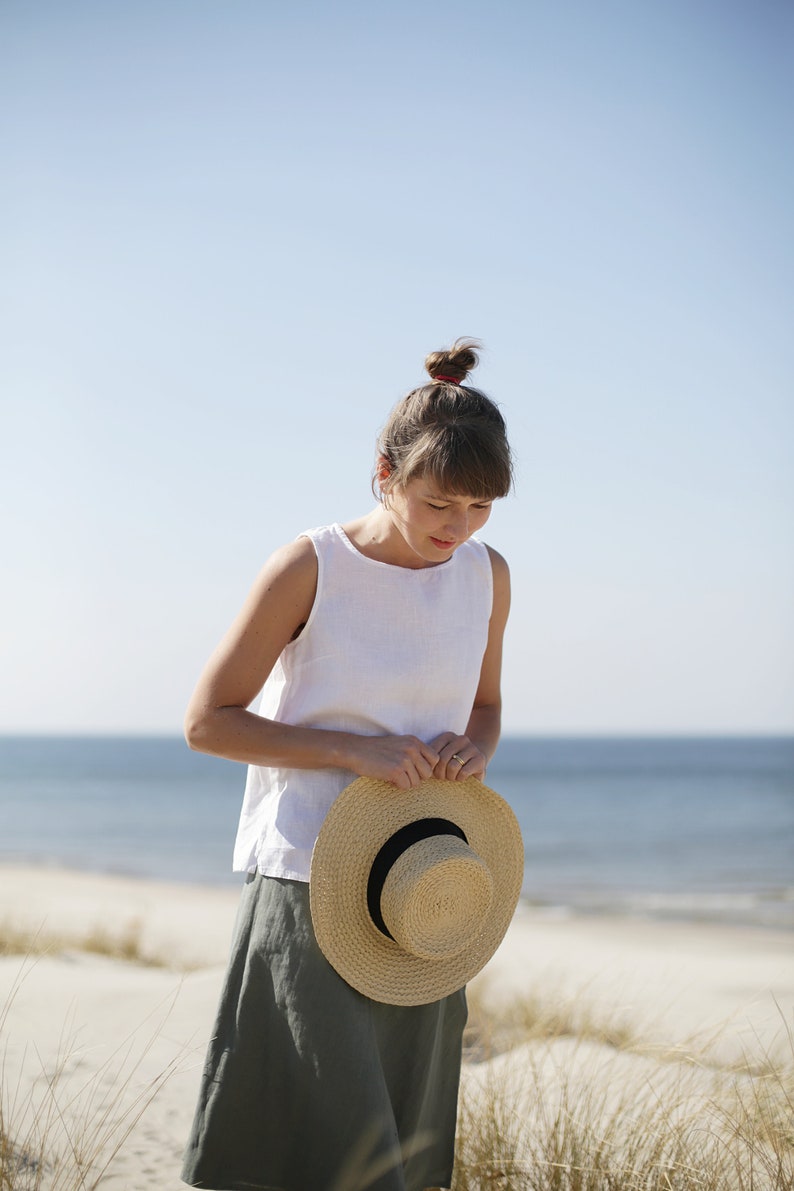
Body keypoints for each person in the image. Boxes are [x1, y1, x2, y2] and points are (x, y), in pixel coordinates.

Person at [180, 338, 514, 1191]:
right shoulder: (310, 565)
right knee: (300, 1144)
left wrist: (473, 748)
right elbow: (207, 722)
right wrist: (350, 749)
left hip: (426, 889)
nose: (458, 527)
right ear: (384, 472)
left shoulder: (487, 576)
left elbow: (485, 706)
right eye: (440, 501)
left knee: (397, 1152)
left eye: (479, 506)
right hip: (306, 877)